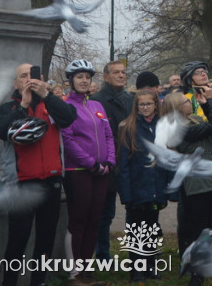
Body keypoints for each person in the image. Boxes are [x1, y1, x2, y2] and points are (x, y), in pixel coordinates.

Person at [0, 63, 78, 286]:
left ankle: (39, 281)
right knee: (18, 240)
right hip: (21, 184)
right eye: (23, 76)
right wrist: (23, 105)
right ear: (15, 83)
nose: (28, 80)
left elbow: (69, 117)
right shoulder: (9, 108)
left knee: (45, 239)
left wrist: (46, 95)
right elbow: (0, 130)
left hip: (50, 182)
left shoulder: (51, 104)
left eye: (33, 75)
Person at [163, 86, 212, 286]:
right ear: (176, 108)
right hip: (197, 185)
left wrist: (207, 107)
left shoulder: (195, 120)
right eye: (185, 101)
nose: (189, 102)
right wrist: (210, 100)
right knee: (200, 230)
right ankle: (198, 273)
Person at [60, 59, 116, 286]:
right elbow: (67, 139)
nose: (84, 81)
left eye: (87, 77)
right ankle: (75, 274)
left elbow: (109, 136)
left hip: (101, 172)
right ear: (71, 80)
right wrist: (91, 163)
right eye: (79, 77)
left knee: (95, 220)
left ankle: (87, 270)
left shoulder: (97, 106)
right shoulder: (66, 107)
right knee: (79, 221)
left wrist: (110, 161)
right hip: (79, 171)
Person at [116, 88, 171, 281]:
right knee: (135, 228)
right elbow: (122, 164)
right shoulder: (129, 127)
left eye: (149, 104)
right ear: (136, 106)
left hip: (155, 185)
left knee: (151, 226)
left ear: (156, 104)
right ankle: (136, 267)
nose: (145, 108)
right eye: (142, 104)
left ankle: (150, 264)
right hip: (136, 183)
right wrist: (126, 194)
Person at [92, 59, 132, 261]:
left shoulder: (131, 99)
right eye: (116, 72)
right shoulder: (96, 100)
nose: (121, 75)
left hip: (130, 161)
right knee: (104, 213)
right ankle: (102, 254)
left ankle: (139, 255)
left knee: (136, 210)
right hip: (109, 160)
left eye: (123, 72)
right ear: (106, 77)